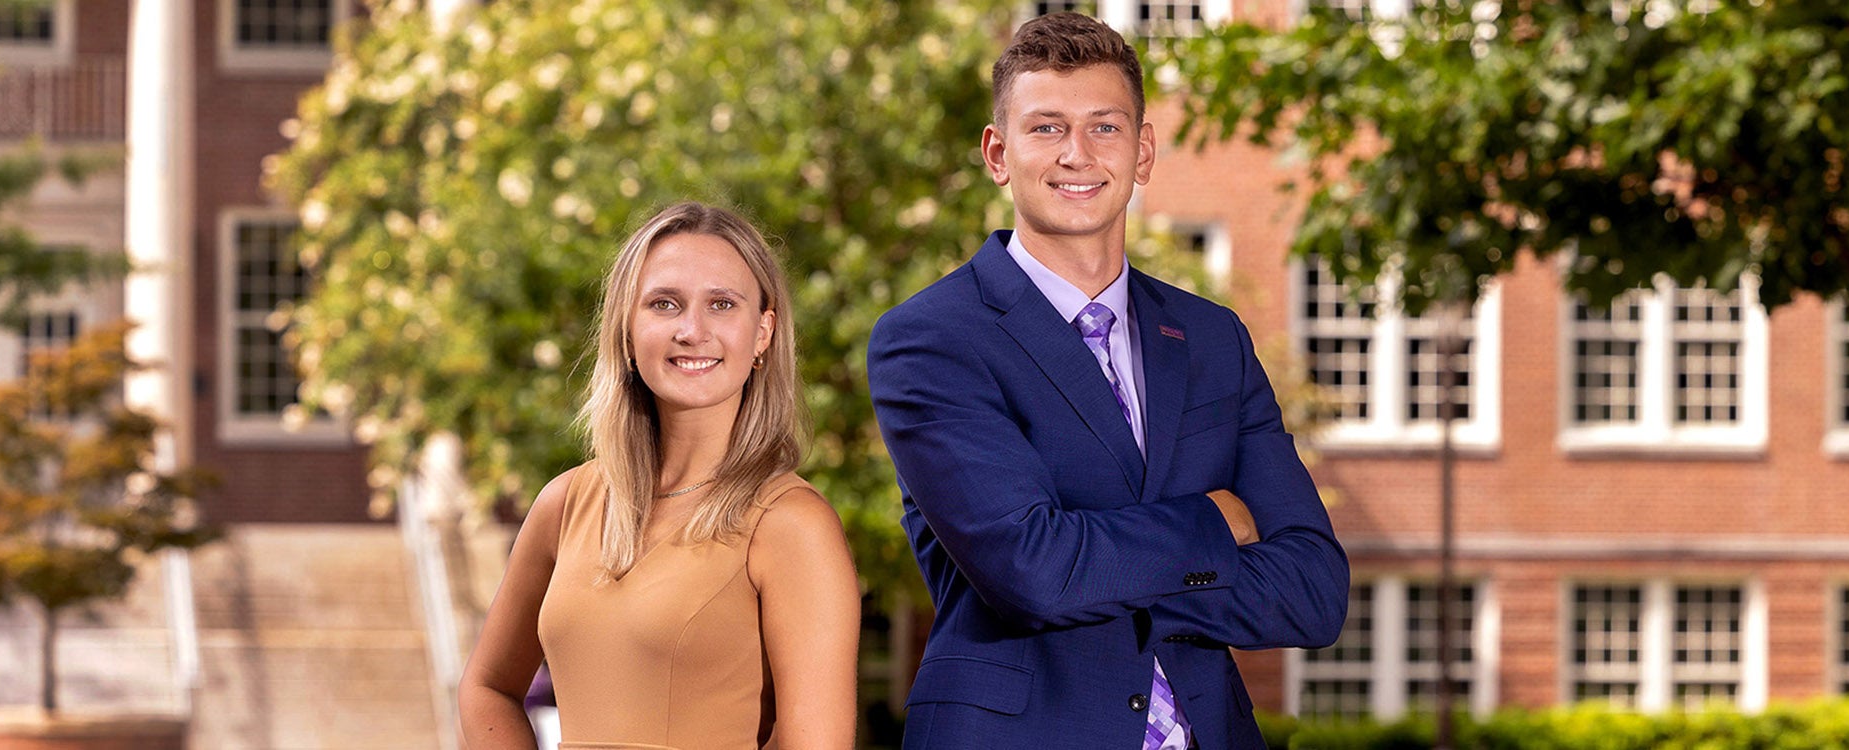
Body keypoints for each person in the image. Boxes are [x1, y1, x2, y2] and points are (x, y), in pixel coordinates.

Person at [867, 12, 1349, 749]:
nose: (1077, 155)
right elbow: (1031, 573)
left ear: (1142, 150)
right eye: (1046, 128)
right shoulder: (932, 339)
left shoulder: (1211, 338)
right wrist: (1215, 523)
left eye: (1103, 127)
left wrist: (1099, 568)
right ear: (998, 154)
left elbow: (1312, 593)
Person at [460, 201, 860, 750]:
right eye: (665, 304)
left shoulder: (790, 523)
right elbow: (487, 688)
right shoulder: (566, 502)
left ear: (763, 333)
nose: (692, 331)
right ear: (627, 331)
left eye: (722, 304)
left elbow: (815, 744)